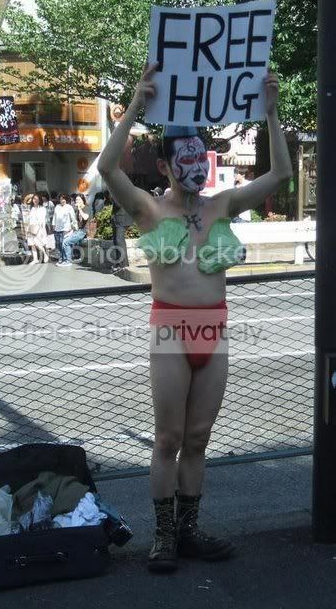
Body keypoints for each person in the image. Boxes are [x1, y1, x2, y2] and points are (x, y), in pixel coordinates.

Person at [97, 63, 292, 573]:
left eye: (198, 155)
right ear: (165, 166)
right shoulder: (149, 210)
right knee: (168, 438)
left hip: (214, 328)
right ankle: (163, 537)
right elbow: (108, 168)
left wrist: (271, 114)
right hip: (170, 328)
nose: (194, 163)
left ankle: (188, 531)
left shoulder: (221, 205)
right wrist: (135, 105)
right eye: (183, 156)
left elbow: (280, 175)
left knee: (199, 438)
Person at [52, 194, 78, 266]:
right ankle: (61, 258)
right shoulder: (57, 206)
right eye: (61, 199)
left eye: (63, 199)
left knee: (63, 243)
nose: (62, 200)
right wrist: (53, 224)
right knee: (58, 244)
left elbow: (73, 217)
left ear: (66, 200)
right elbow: (54, 216)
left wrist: (72, 227)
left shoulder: (69, 207)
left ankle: (66, 259)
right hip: (57, 228)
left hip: (66, 228)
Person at [62, 194, 89, 264]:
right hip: (78, 231)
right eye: (76, 200)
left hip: (84, 231)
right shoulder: (77, 210)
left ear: (83, 200)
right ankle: (65, 259)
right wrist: (70, 233)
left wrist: (79, 208)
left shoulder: (86, 208)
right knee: (64, 239)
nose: (77, 201)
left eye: (78, 200)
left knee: (66, 242)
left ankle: (68, 261)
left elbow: (85, 217)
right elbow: (77, 225)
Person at [110, 198, 133, 272]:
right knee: (116, 241)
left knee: (119, 240)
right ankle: (118, 263)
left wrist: (112, 196)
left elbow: (118, 204)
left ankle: (123, 264)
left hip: (122, 218)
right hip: (117, 218)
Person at [27, 193, 48, 264]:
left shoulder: (42, 208)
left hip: (38, 228)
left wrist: (43, 230)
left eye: (37, 199)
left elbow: (42, 220)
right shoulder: (31, 208)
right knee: (32, 244)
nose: (35, 200)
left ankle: (45, 255)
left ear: (39, 200)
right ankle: (35, 259)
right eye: (34, 199)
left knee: (38, 243)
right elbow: (29, 219)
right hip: (31, 227)